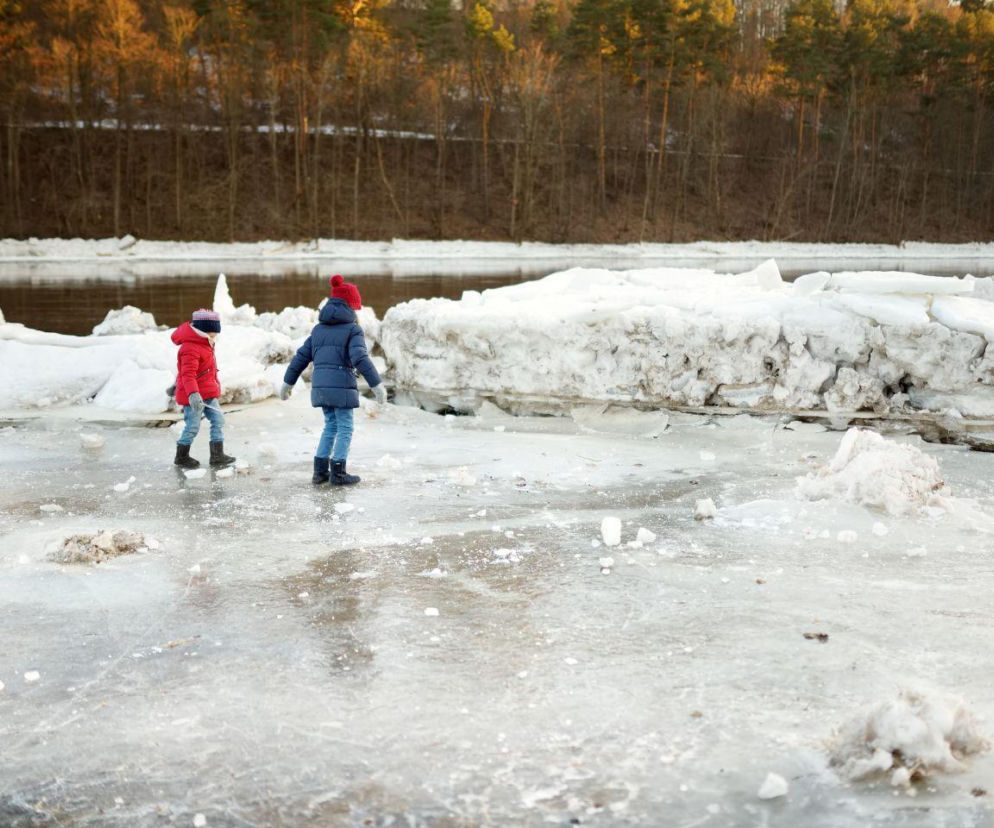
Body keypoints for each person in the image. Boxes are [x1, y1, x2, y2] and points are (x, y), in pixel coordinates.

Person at [280, 275, 387, 485]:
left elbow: (301, 357)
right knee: (345, 427)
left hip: (321, 387)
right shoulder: (353, 330)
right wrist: (376, 384)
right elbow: (360, 358)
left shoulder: (318, 329)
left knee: (330, 426)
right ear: (350, 307)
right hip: (341, 387)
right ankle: (338, 473)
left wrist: (287, 382)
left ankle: (319, 472)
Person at [172, 308, 236, 470]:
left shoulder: (205, 343)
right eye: (214, 332)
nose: (216, 335)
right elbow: (187, 375)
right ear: (205, 329)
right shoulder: (190, 348)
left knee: (218, 420)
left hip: (208, 393)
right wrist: (193, 394)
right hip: (193, 396)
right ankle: (181, 456)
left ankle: (217, 455)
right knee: (192, 426)